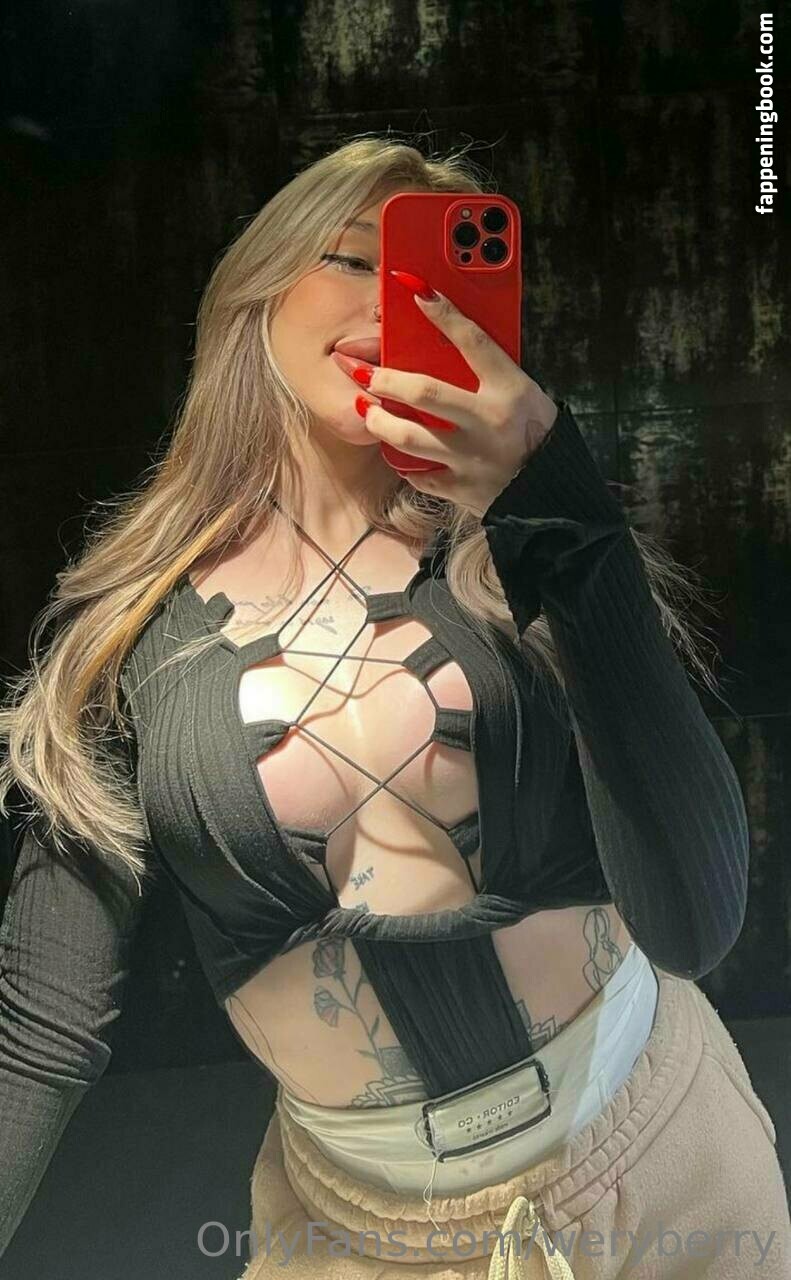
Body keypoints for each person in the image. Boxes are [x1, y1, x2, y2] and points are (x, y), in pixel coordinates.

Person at [1, 135, 789, 1279]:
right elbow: (40, 1019)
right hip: (359, 1237)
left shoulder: (529, 557)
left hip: (661, 1160)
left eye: (435, 277)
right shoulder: (123, 642)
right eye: (355, 260)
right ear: (255, 294)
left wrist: (561, 509)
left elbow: (696, 917)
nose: (398, 301)